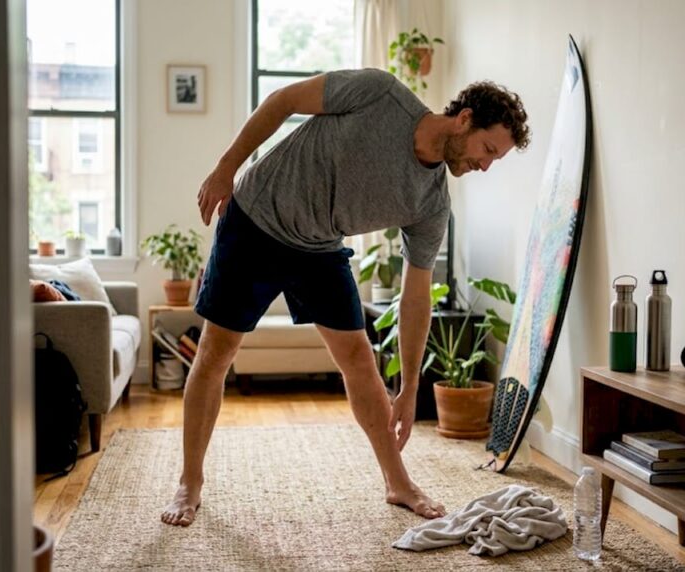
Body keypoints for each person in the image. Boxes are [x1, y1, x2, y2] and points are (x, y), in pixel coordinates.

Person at [161, 68, 530, 527]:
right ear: (464, 119)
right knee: (217, 351)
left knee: (358, 357)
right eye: (488, 150)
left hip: (318, 246)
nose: (485, 165)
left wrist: (411, 386)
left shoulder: (432, 204)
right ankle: (190, 481)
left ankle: (398, 482)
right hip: (256, 220)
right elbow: (283, 99)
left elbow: (416, 297)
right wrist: (226, 168)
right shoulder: (380, 94)